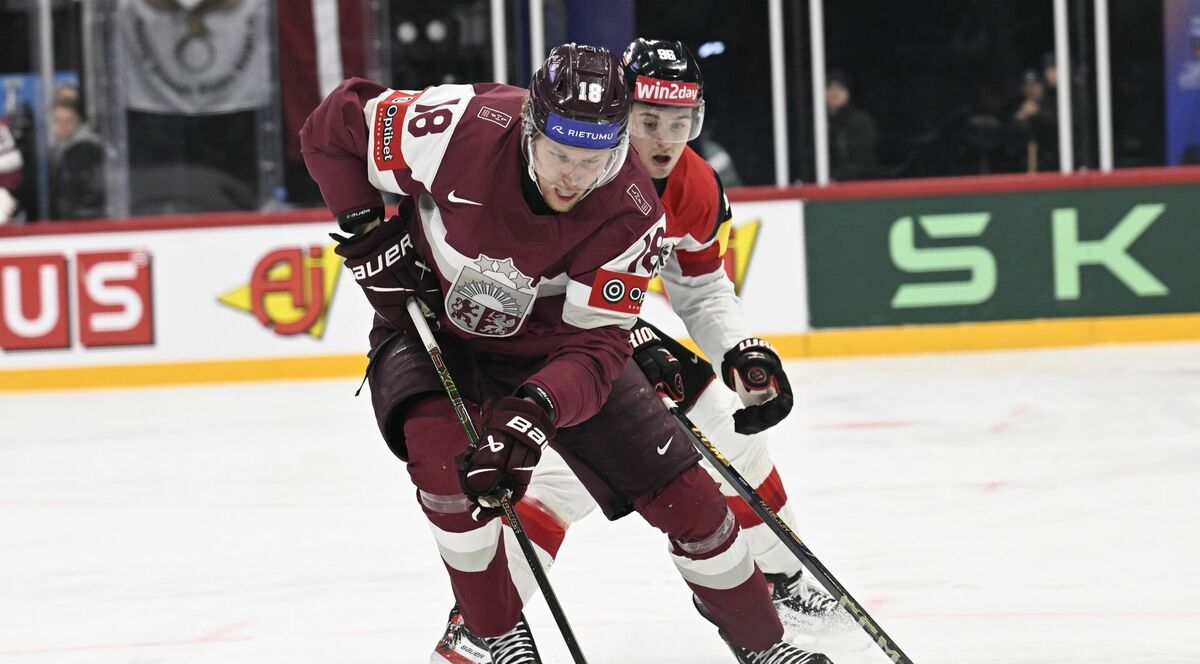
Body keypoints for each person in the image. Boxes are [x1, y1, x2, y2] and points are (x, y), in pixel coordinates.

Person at [300, 43, 829, 664]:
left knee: (696, 491)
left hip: (553, 348)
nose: (573, 177)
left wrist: (538, 408)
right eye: (559, 154)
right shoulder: (457, 126)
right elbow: (334, 124)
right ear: (530, 127)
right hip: (435, 328)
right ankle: (489, 628)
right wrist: (365, 227)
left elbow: (602, 338)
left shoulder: (638, 207)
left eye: (594, 159)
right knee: (451, 475)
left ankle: (773, 624)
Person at [49, 97, 105, 219]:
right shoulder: (59, 149)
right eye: (57, 120)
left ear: (78, 121)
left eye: (68, 120)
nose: (62, 126)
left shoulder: (84, 150)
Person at [825, 70, 880, 182]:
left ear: (848, 92)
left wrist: (836, 177)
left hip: (858, 186)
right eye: (829, 87)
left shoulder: (861, 121)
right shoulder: (817, 123)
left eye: (840, 88)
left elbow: (863, 160)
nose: (834, 93)